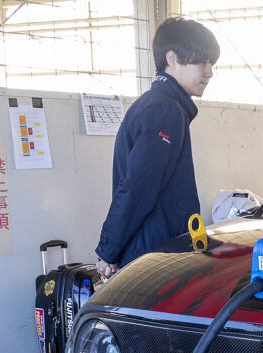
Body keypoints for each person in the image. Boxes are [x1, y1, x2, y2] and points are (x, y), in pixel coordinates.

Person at [94, 17, 220, 279]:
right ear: (172, 59)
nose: (209, 72)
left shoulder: (158, 105)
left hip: (152, 250)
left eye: (212, 64)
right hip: (154, 257)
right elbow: (138, 187)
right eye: (202, 62)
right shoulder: (164, 110)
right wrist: (109, 251)